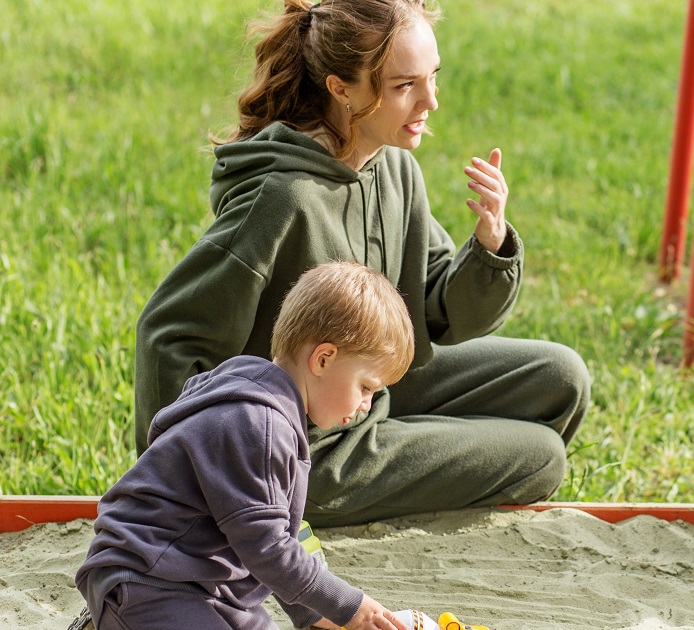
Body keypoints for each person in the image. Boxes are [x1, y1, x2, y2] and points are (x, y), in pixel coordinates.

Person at [133, 0, 590, 527]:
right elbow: (166, 333)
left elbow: (439, 309)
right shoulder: (282, 199)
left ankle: (401, 441)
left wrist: (488, 246)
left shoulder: (393, 168)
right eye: (404, 87)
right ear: (341, 89)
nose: (430, 101)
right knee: (541, 455)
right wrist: (181, 486)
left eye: (432, 78)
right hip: (307, 452)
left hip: (375, 387)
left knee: (563, 378)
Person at [78, 262, 415, 630]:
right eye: (365, 387)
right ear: (323, 359)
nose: (366, 405)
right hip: (150, 578)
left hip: (211, 584)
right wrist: (353, 607)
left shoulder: (258, 397)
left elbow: (281, 538)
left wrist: (319, 615)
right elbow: (270, 551)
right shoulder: (261, 425)